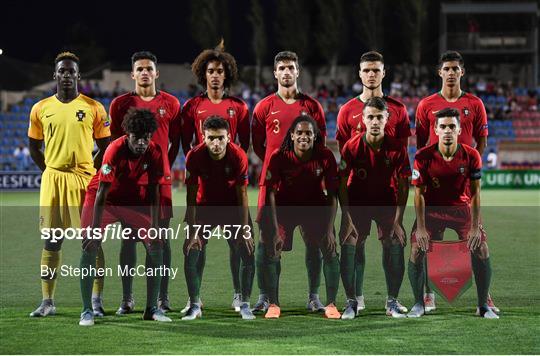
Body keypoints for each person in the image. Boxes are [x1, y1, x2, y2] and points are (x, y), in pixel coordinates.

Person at [28, 51, 110, 317]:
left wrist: (90, 175)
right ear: (55, 75)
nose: (66, 75)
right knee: (52, 241)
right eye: (62, 71)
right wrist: (49, 171)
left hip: (84, 180)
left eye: (71, 71)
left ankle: (96, 300)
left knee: (91, 241)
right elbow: (33, 146)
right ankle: (47, 302)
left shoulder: (93, 107)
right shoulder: (40, 108)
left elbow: (105, 148)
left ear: (78, 75)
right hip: (53, 180)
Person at [415, 51, 498, 313]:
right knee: (425, 244)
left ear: (462, 72)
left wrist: (469, 167)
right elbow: (421, 143)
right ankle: (428, 295)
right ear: (439, 72)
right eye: (446, 68)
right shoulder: (425, 105)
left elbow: (481, 141)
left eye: (455, 68)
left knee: (478, 243)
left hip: (463, 191)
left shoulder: (475, 104)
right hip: (434, 192)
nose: (451, 72)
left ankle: (485, 298)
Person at [78, 108, 171, 326]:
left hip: (133, 201)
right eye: (137, 138)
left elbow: (155, 191)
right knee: (89, 245)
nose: (142, 143)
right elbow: (102, 190)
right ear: (128, 134)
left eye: (146, 138)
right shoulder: (114, 149)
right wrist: (93, 229)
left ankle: (151, 309)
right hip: (104, 199)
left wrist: (155, 226)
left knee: (155, 245)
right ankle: (86, 311)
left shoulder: (155, 151)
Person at [251, 51, 327, 313]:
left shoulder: (312, 107)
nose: (286, 72)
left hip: (308, 188)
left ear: (298, 72)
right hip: (273, 185)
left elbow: (321, 144)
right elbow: (259, 146)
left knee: (314, 239)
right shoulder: (263, 107)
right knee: (267, 240)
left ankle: (314, 297)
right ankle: (266, 297)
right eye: (281, 68)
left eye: (290, 67)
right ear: (275, 73)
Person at [335, 51, 411, 313]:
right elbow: (345, 159)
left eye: (375, 70)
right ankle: (355, 298)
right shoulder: (346, 111)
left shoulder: (399, 110)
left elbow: (402, 162)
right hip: (358, 196)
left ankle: (392, 300)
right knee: (355, 241)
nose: (371, 74)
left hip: (387, 196)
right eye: (366, 70)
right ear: (359, 73)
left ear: (383, 73)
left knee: (393, 242)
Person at [109, 51, 181, 314]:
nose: (144, 73)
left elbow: (176, 142)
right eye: (140, 69)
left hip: (158, 183)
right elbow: (116, 143)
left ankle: (163, 297)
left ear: (156, 73)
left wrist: (164, 168)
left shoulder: (171, 103)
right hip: (129, 184)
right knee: (128, 239)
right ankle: (127, 299)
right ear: (132, 74)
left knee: (162, 238)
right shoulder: (119, 104)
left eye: (149, 68)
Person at [180, 42, 250, 312]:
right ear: (203, 74)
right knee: (197, 244)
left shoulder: (239, 107)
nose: (216, 75)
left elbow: (245, 143)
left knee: (237, 245)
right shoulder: (192, 106)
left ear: (227, 74)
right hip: (203, 192)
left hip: (231, 190)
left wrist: (231, 167)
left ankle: (237, 294)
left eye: (220, 71)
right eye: (211, 71)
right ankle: (194, 298)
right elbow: (187, 143)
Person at [260, 115, 340, 319]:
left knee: (328, 249)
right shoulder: (279, 156)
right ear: (292, 136)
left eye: (308, 133)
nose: (304, 136)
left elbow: (332, 195)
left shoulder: (325, 156)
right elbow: (270, 193)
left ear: (315, 137)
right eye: (300, 133)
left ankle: (325, 302)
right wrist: (275, 229)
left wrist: (330, 230)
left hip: (314, 207)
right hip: (285, 208)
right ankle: (273, 304)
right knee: (273, 249)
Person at [181, 116, 255, 320]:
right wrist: (193, 229)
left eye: (221, 138)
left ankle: (244, 302)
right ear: (203, 138)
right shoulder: (194, 156)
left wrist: (244, 229)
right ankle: (194, 303)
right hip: (204, 208)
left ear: (229, 137)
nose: (216, 143)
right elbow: (190, 195)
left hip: (232, 207)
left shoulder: (238, 156)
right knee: (191, 248)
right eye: (211, 138)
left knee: (247, 248)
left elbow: (243, 194)